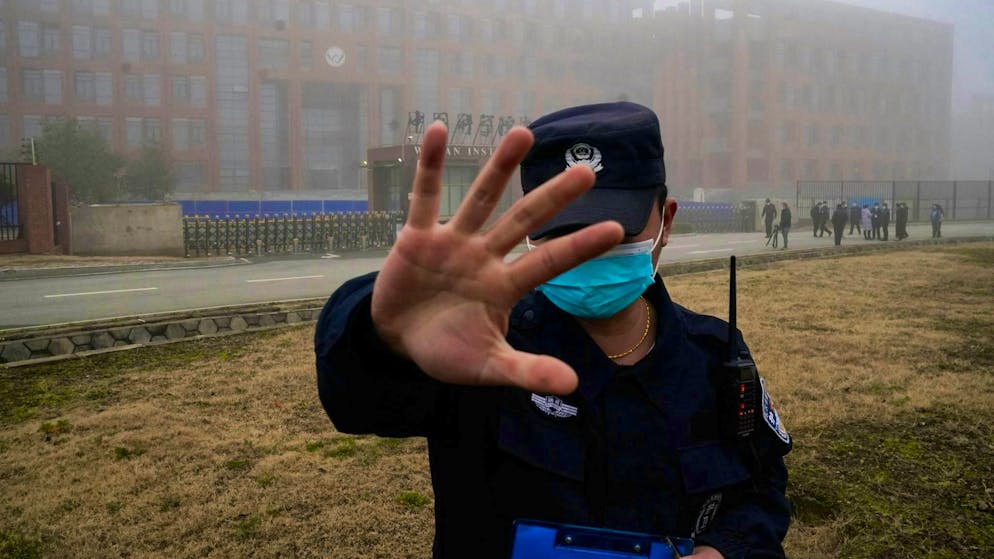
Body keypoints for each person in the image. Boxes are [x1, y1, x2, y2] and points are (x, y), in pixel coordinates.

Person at [314, 103, 792, 559]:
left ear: (665, 220)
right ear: (530, 232)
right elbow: (356, 400)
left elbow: (762, 489)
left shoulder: (713, 356)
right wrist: (382, 334)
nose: (584, 251)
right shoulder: (481, 349)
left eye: (613, 228)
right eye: (562, 229)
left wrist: (727, 549)